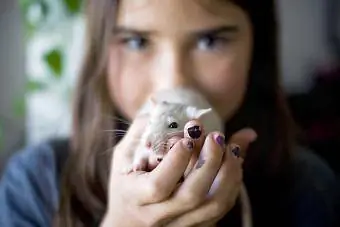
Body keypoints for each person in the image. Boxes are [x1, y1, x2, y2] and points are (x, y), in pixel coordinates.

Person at [0, 0, 338, 226]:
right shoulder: (35, 183)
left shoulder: (309, 187)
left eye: (210, 40)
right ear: (99, 51)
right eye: (136, 41)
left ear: (258, 50)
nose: (172, 80)